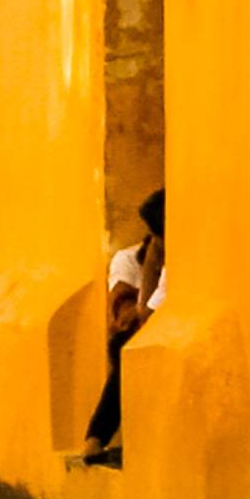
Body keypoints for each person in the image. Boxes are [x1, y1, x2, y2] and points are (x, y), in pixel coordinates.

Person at [84, 187, 165, 465]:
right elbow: (128, 314)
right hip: (136, 333)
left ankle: (96, 435)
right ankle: (97, 435)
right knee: (124, 346)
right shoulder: (130, 260)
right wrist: (152, 266)